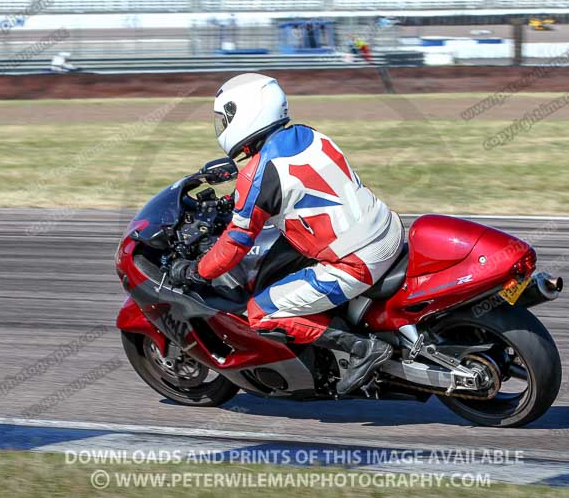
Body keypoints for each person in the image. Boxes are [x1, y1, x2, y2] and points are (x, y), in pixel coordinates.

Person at [170, 73, 403, 395]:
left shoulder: (258, 172)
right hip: (386, 230)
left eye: (225, 119)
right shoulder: (310, 135)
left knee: (260, 312)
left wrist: (196, 271)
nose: (222, 127)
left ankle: (362, 349)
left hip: (356, 262)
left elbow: (236, 244)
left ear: (246, 114)